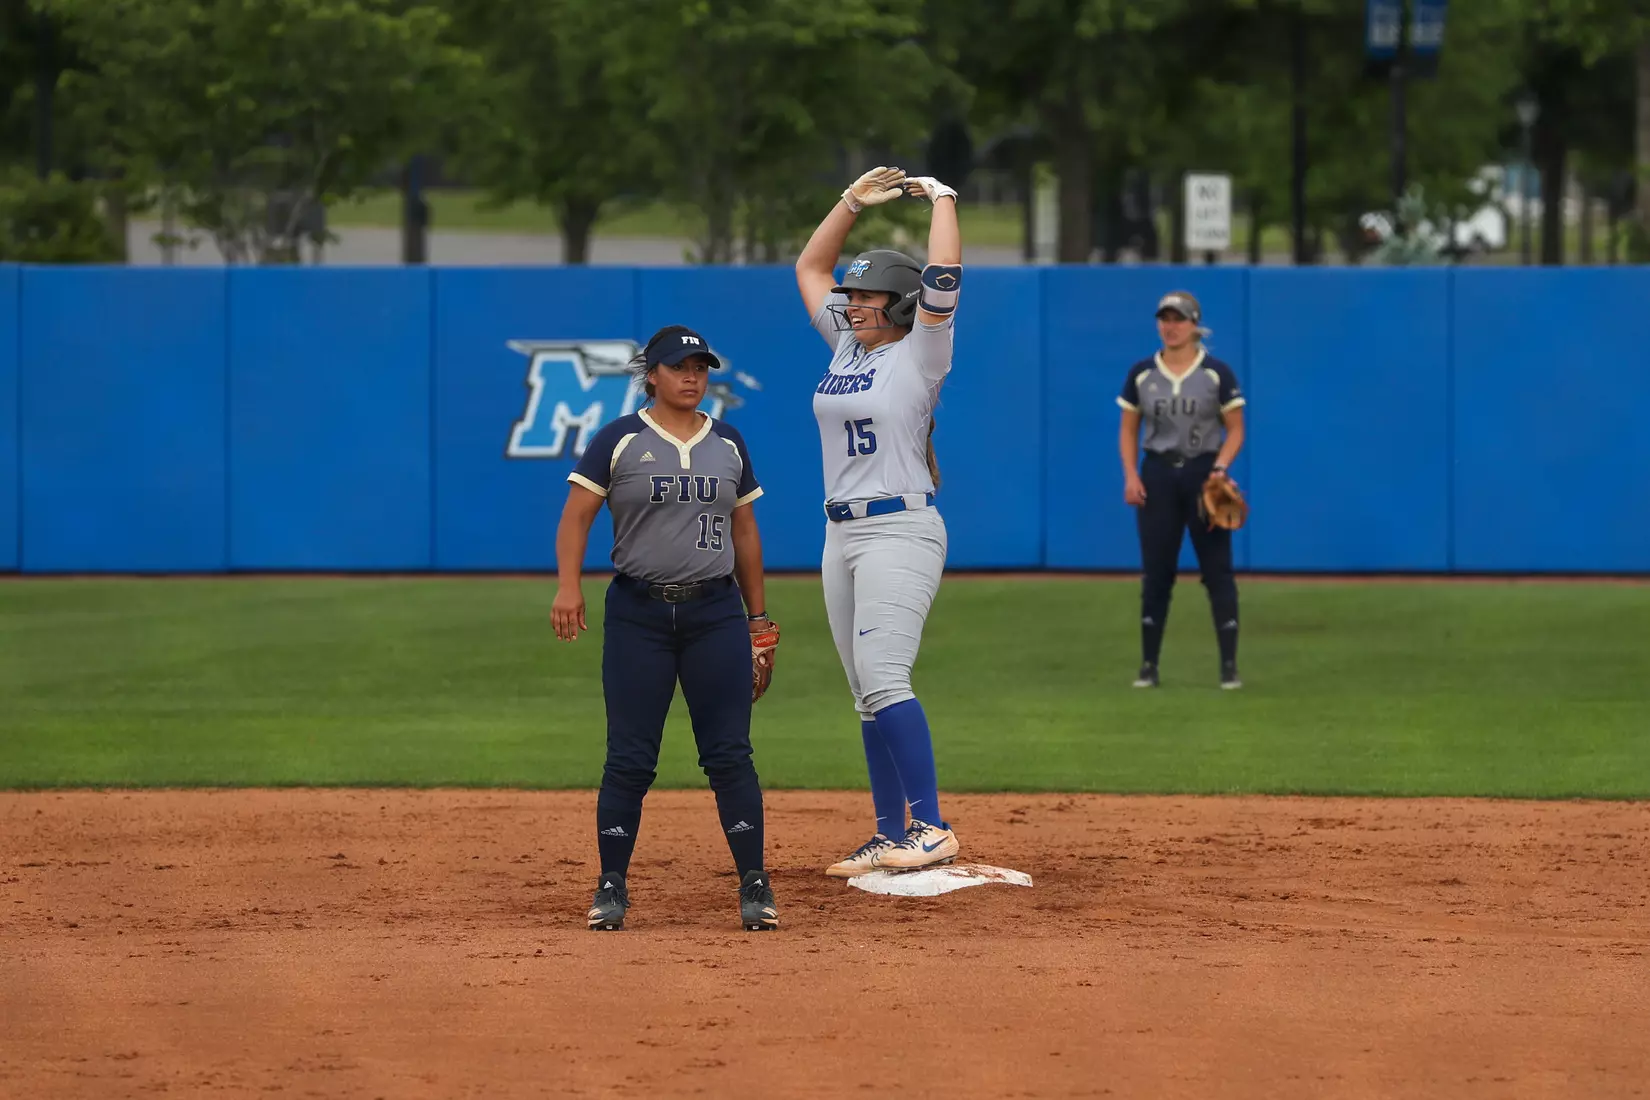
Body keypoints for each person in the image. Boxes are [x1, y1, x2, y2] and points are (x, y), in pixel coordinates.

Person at [551, 325, 780, 932]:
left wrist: (758, 620)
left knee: (729, 753)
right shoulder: (620, 439)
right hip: (638, 613)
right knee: (630, 758)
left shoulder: (727, 442)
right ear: (650, 374)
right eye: (680, 367)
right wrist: (568, 586)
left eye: (701, 367)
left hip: (715, 613)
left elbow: (746, 534)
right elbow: (576, 517)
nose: (692, 377)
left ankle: (755, 883)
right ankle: (611, 884)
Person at [793, 165, 963, 877]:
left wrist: (945, 200)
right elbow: (811, 265)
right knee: (866, 691)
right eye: (852, 296)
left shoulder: (920, 353)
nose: (852, 304)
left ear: (899, 306)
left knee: (885, 675)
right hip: (842, 533)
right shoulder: (846, 346)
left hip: (900, 526)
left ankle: (932, 826)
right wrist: (850, 203)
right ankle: (889, 831)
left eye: (866, 297)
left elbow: (945, 273)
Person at [1117, 291, 1247, 690]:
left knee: (1217, 571)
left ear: (1195, 324)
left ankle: (1228, 667)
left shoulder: (1216, 373)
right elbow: (1128, 428)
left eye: (1179, 319)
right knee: (1157, 573)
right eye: (1164, 318)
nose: (1170, 326)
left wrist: (1221, 468)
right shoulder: (1143, 372)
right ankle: (1148, 666)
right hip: (1157, 474)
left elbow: (1236, 428)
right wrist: (1130, 475)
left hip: (1203, 474)